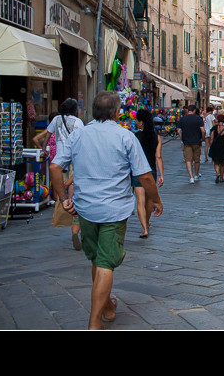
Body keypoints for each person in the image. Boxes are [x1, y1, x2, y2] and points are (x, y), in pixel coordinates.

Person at [49, 91, 163, 330]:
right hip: (114, 209)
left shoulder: (78, 135)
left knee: (97, 260)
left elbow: (55, 167)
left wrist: (63, 199)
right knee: (105, 264)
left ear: (92, 111)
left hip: (85, 209)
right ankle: (94, 322)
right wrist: (156, 199)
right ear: (117, 112)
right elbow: (144, 175)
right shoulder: (125, 136)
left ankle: (108, 307)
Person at [34, 98, 84, 249]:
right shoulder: (78, 122)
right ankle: (72, 206)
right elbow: (82, 141)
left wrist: (44, 149)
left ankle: (62, 201)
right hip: (74, 156)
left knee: (59, 182)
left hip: (59, 158)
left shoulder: (56, 119)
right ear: (75, 110)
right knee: (73, 182)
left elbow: (48, 135)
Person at [132, 108, 164, 238]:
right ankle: (147, 222)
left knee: (140, 201)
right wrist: (161, 175)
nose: (136, 123)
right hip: (151, 171)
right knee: (149, 201)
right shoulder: (157, 137)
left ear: (141, 122)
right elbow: (158, 157)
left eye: (137, 120)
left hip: (137, 171)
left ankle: (144, 228)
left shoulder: (135, 137)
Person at [177, 105, 206, 184]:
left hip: (187, 142)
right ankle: (196, 175)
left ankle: (191, 177)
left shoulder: (182, 119)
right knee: (197, 159)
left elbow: (178, 131)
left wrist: (182, 138)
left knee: (188, 160)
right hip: (196, 141)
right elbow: (203, 130)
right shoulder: (198, 119)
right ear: (194, 111)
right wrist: (202, 138)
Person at [209, 113, 224, 183]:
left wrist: (211, 146)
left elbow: (211, 138)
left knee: (216, 162)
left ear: (217, 120)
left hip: (215, 146)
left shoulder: (214, 128)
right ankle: (222, 177)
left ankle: (217, 174)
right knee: (222, 163)